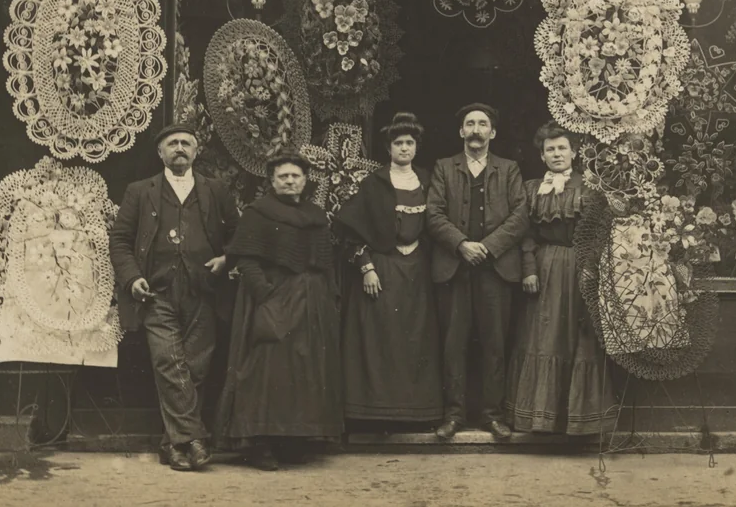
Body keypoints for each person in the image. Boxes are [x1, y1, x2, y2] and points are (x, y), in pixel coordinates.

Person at [109, 123, 238, 472]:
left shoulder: (216, 190)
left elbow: (237, 237)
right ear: (160, 153)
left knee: (194, 367)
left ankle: (174, 444)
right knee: (169, 363)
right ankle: (195, 439)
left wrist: (226, 258)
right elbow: (120, 241)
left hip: (204, 292)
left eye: (186, 143)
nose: (179, 148)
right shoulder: (140, 191)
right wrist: (132, 277)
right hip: (157, 292)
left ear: (196, 152)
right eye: (172, 144)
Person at [215, 149, 343, 470]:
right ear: (272, 181)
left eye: (295, 176)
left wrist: (328, 297)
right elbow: (246, 258)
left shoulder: (315, 215)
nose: (289, 181)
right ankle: (259, 444)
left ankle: (294, 440)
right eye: (282, 176)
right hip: (275, 297)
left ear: (304, 180)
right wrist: (266, 296)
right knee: (267, 370)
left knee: (304, 370)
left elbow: (325, 263)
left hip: (312, 301)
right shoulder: (259, 213)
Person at [505, 121, 619, 437]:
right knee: (541, 336)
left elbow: (599, 232)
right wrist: (528, 267)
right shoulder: (530, 190)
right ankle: (540, 418)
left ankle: (579, 419)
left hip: (579, 268)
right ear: (542, 156)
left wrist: (590, 267)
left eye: (562, 148)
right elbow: (524, 232)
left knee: (578, 337)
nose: (557, 154)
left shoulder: (591, 188)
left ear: (574, 152)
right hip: (543, 268)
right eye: (550, 150)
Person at [425, 103, 529, 441]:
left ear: (492, 133)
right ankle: (453, 416)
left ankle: (491, 415)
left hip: (495, 271)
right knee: (453, 344)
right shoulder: (443, 168)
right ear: (461, 132)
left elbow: (520, 216)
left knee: (494, 344)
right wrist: (461, 245)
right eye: (469, 124)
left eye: (483, 124)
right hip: (455, 269)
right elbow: (434, 214)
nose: (476, 130)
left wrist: (487, 246)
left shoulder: (509, 169)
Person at [334, 112, 443, 427]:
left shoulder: (428, 180)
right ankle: (378, 414)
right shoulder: (374, 182)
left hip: (419, 271)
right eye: (398, 143)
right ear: (389, 147)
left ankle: (416, 414)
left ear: (416, 147)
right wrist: (366, 266)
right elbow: (352, 229)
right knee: (382, 338)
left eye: (410, 143)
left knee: (417, 339)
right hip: (383, 269)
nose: (404, 148)